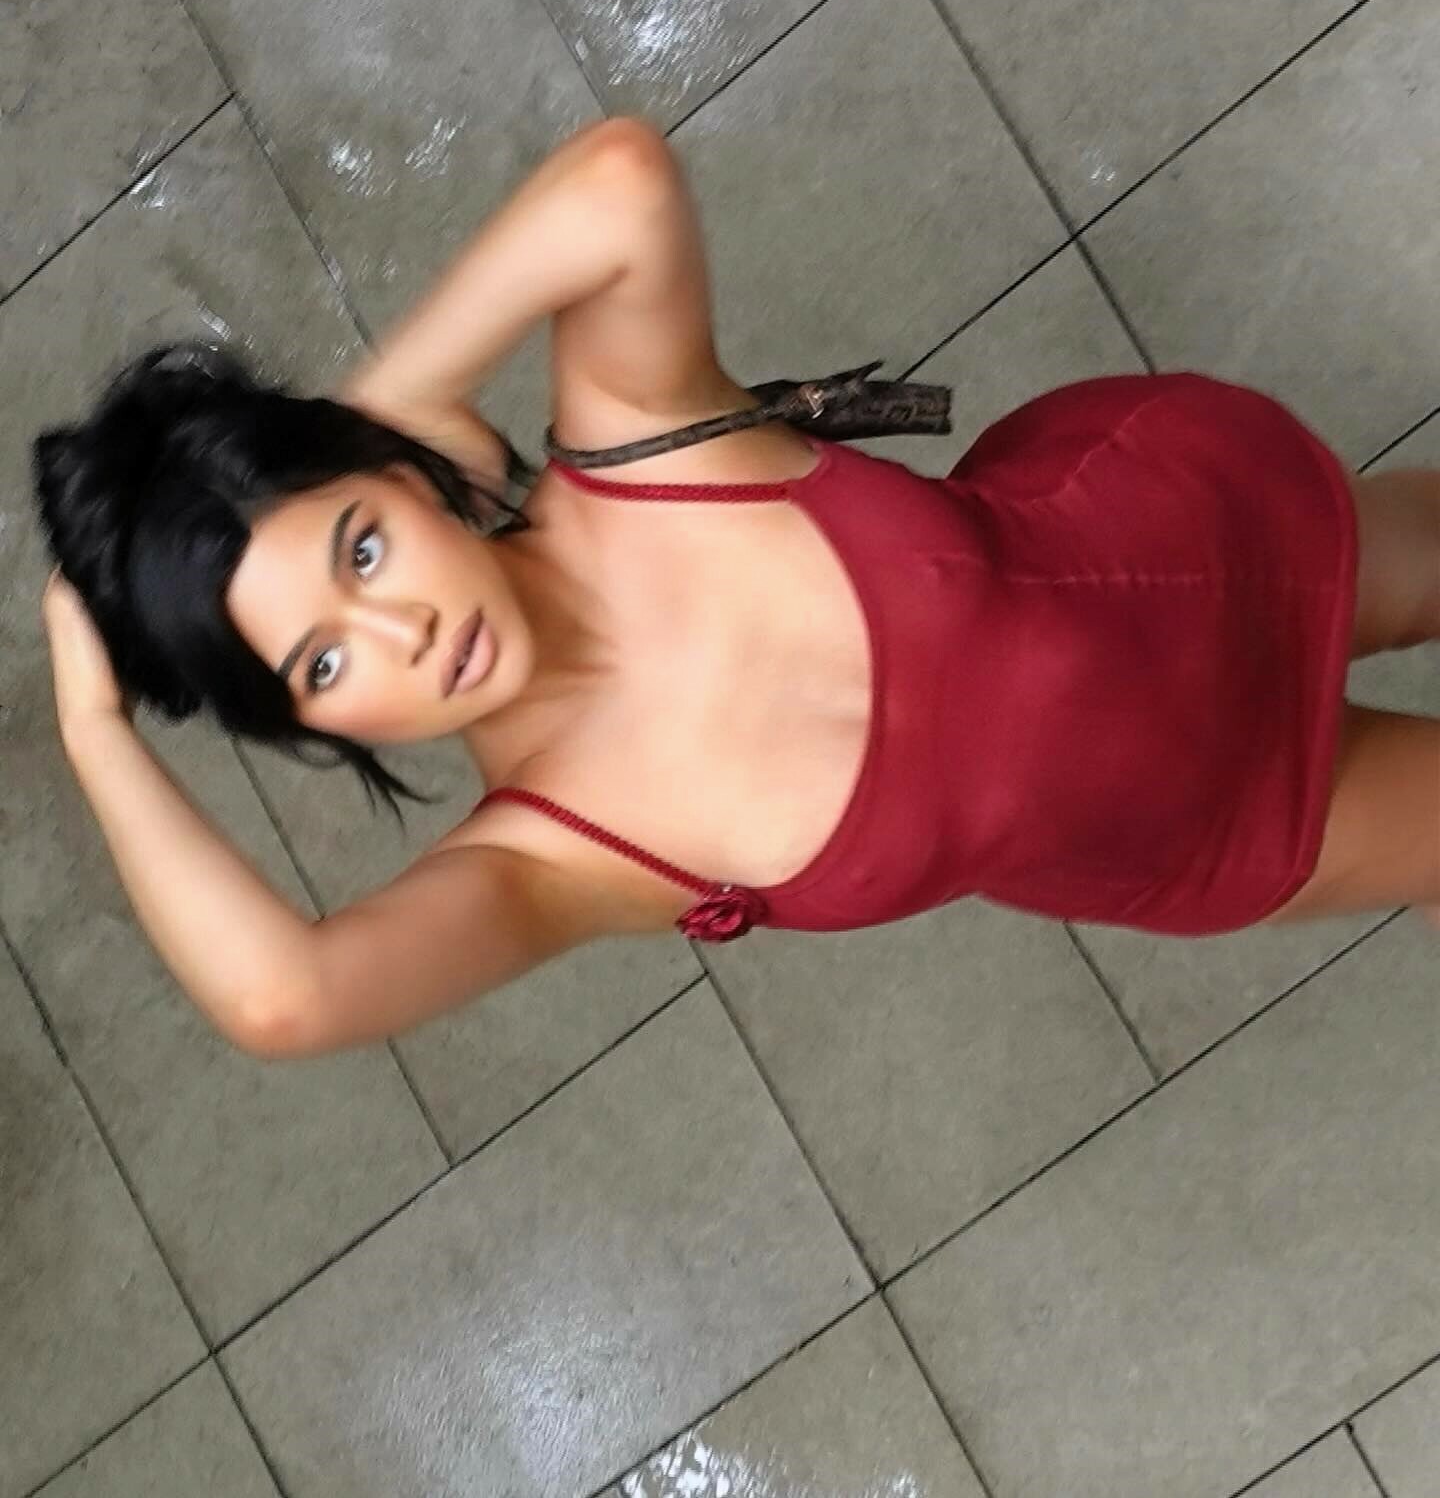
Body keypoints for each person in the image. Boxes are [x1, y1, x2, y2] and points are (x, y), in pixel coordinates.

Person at [33, 118, 1440, 1064]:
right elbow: (285, 998)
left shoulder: (638, 442)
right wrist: (96, 734)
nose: (404, 634)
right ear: (315, 726)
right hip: (1203, 821)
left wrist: (386, 400)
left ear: (400, 479)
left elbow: (619, 181)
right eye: (325, 668)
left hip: (1183, 539)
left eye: (361, 549)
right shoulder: (549, 863)